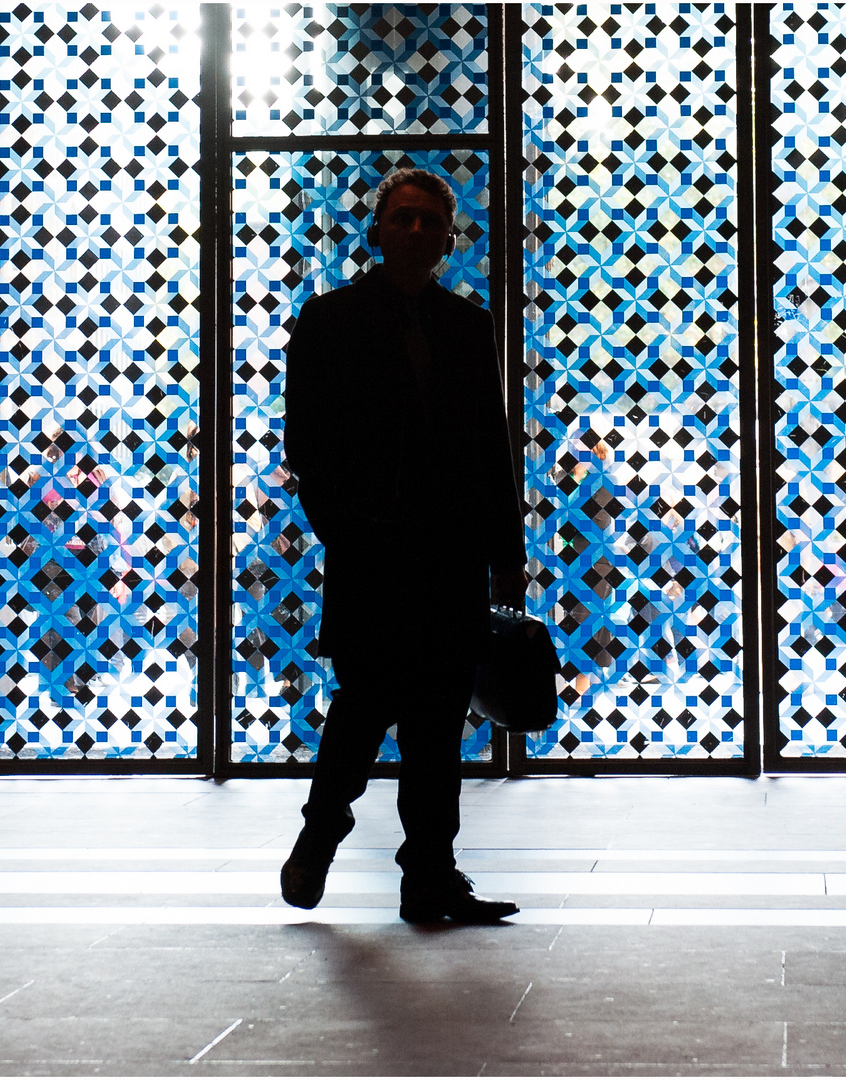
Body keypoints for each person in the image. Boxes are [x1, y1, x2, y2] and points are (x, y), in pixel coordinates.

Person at [279, 168, 527, 923]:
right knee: (365, 704)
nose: (416, 232)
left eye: (429, 223)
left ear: (447, 240)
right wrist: (345, 529)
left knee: (434, 723)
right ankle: (326, 826)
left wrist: (502, 553)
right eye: (403, 219)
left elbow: (491, 447)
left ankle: (428, 874)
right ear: (378, 229)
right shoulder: (328, 321)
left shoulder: (464, 326)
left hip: (446, 552)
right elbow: (307, 442)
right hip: (374, 552)